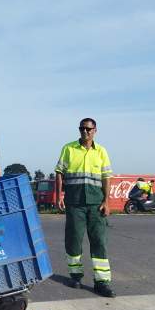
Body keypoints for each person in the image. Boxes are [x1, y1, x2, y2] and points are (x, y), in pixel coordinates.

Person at [55, 117, 116, 298]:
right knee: (73, 240)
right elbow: (59, 173)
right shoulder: (69, 148)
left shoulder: (102, 151)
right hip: (75, 203)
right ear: (79, 130)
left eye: (89, 129)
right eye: (82, 128)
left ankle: (102, 282)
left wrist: (107, 201)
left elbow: (106, 177)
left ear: (95, 130)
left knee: (99, 241)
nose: (85, 131)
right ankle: (75, 276)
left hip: (96, 204)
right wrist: (59, 195)